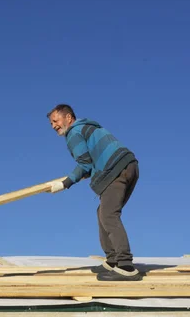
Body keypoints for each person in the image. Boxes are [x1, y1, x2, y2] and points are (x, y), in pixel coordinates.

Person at [46, 104, 141, 281]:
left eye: (55, 121)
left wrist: (65, 183)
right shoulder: (88, 127)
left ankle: (126, 265)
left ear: (68, 117)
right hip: (129, 166)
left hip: (115, 169)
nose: (53, 126)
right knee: (102, 212)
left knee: (108, 215)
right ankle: (112, 260)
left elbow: (84, 164)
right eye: (51, 124)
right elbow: (90, 164)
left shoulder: (74, 132)